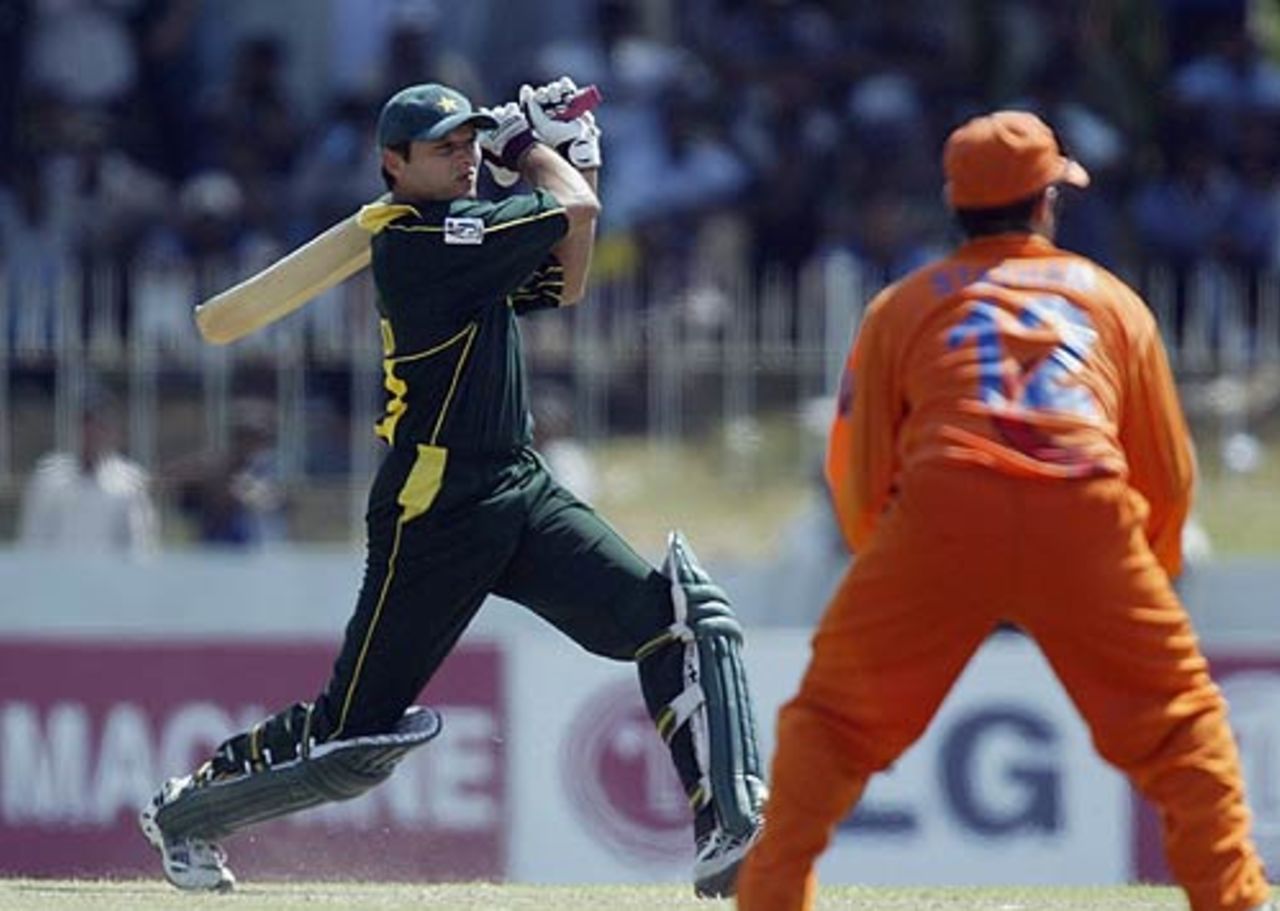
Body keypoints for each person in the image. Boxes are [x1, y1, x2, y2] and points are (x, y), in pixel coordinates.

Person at [138, 78, 766, 897]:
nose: (467, 159)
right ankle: (190, 809)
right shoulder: (417, 242)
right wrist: (529, 148)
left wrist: (574, 157)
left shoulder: (462, 233)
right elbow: (569, 212)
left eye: (472, 143)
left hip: (515, 480)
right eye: (447, 149)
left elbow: (568, 276)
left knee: (675, 621)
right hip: (433, 505)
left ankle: (727, 826)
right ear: (392, 165)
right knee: (352, 737)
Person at [737, 110, 1274, 911]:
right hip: (1083, 506)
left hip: (943, 507)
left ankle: (772, 898)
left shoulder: (903, 305)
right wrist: (1141, 575)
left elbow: (858, 466)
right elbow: (1167, 473)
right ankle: (1234, 901)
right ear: (1047, 201)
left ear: (955, 205)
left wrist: (892, 559)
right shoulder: (1113, 301)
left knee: (834, 721)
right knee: (1178, 721)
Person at [18, 388, 158, 558]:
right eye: (87, 424)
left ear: (113, 431)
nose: (93, 433)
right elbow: (32, 542)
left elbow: (141, 547)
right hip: (58, 581)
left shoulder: (130, 481)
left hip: (111, 582)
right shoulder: (48, 477)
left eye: (101, 425)